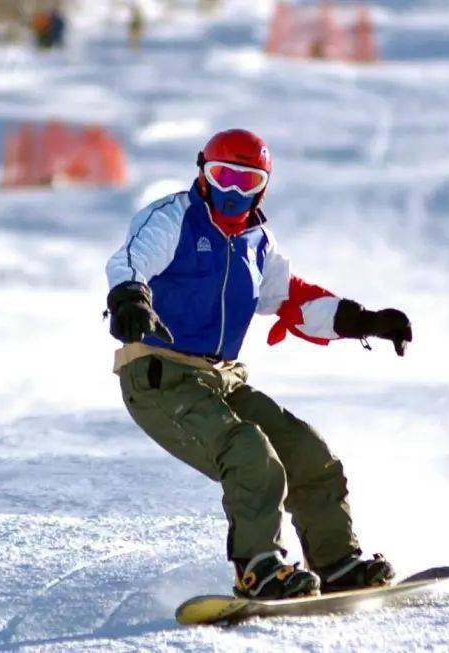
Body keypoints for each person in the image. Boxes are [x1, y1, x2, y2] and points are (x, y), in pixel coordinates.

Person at [104, 129, 412, 600]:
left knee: (308, 452)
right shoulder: (174, 219)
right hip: (159, 376)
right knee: (248, 451)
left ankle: (337, 561)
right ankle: (259, 568)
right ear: (202, 174)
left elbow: (291, 299)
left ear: (262, 186)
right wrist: (130, 298)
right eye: (221, 176)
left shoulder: (256, 241)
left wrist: (363, 320)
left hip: (222, 378)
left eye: (245, 181)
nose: (231, 191)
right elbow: (130, 260)